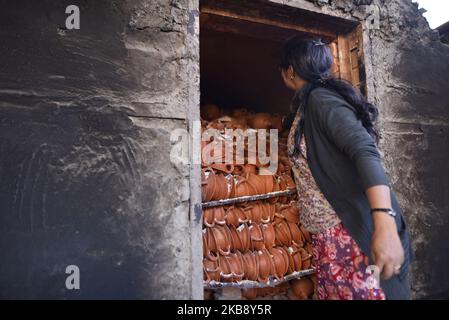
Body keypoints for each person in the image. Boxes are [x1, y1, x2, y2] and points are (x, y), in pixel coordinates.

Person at [280, 36, 413, 300]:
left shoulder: (321, 100)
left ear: (290, 71)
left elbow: (364, 151)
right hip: (330, 235)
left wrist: (384, 222)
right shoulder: (309, 105)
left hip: (349, 232)